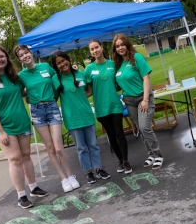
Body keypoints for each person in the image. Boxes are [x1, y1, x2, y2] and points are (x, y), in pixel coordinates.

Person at [0, 44, 48, 209]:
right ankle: (21, 195)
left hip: (21, 121)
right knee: (15, 158)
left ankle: (33, 187)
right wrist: (0, 132)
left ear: (7, 59)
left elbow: (26, 88)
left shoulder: (13, 76)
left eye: (2, 56)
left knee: (26, 155)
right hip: (3, 127)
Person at [14, 45, 80, 193]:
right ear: (19, 60)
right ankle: (63, 179)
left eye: (26, 52)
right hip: (37, 112)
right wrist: (28, 94)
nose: (25, 56)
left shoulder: (45, 67)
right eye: (21, 55)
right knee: (50, 148)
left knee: (58, 147)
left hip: (52, 107)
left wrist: (73, 69)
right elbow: (20, 92)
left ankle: (70, 176)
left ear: (31, 53)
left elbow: (59, 76)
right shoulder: (21, 76)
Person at [50, 51, 111, 184]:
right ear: (56, 66)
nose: (62, 64)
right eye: (59, 63)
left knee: (93, 144)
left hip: (86, 114)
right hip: (72, 118)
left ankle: (98, 168)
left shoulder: (80, 74)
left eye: (64, 60)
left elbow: (89, 90)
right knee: (81, 147)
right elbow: (53, 97)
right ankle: (88, 172)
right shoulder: (55, 79)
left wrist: (81, 99)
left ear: (68, 59)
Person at [112, 33, 164, 169]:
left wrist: (146, 100)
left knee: (145, 127)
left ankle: (158, 155)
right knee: (140, 129)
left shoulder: (137, 58)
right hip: (129, 101)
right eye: (117, 46)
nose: (120, 48)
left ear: (127, 44)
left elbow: (146, 79)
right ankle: (151, 154)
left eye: (122, 44)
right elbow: (118, 84)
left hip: (143, 97)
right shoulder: (118, 65)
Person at [85, 39, 132, 174]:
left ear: (101, 47)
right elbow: (88, 91)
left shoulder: (113, 64)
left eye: (97, 47)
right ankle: (120, 160)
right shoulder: (88, 69)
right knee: (111, 136)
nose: (95, 51)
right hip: (101, 108)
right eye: (92, 49)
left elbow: (119, 82)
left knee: (120, 134)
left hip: (115, 105)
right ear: (90, 52)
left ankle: (126, 161)